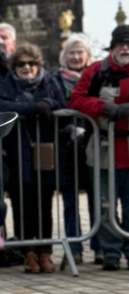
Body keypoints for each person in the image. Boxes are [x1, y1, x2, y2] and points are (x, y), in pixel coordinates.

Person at [0, 43, 65, 273]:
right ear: (14, 67)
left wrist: (48, 104)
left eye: (31, 63)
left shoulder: (48, 81)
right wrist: (34, 107)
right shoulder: (7, 83)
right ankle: (28, 253)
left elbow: (62, 102)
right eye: (21, 64)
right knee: (22, 204)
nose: (26, 68)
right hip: (17, 152)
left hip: (44, 151)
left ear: (38, 64)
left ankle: (45, 252)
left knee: (44, 204)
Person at [69, 25, 129, 270]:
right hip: (104, 147)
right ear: (112, 47)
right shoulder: (96, 71)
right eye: (121, 44)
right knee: (105, 205)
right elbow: (76, 98)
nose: (125, 49)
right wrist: (103, 108)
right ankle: (110, 251)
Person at [55, 34, 95, 266]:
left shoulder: (95, 77)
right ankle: (74, 248)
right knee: (70, 202)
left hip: (91, 144)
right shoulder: (55, 79)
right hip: (66, 148)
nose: (76, 56)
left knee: (96, 199)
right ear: (65, 56)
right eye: (72, 52)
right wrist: (68, 126)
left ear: (88, 56)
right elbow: (54, 104)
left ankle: (100, 247)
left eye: (80, 52)